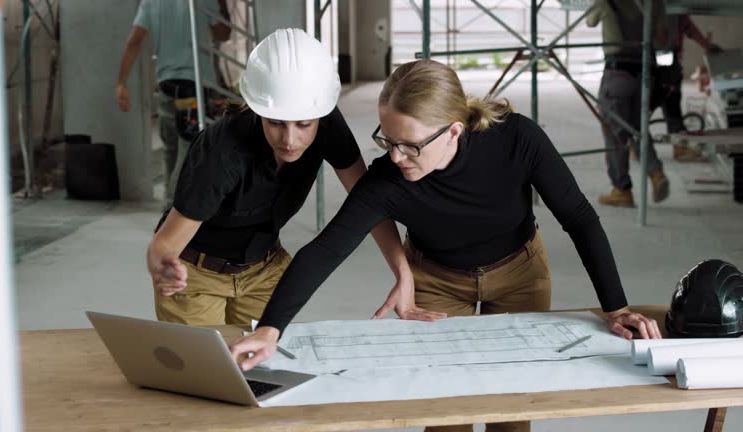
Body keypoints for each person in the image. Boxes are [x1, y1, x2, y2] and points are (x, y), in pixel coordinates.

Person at [229, 59, 662, 432]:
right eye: (388, 140)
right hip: (434, 282)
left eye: (410, 146)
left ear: (454, 130)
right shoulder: (388, 180)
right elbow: (324, 250)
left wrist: (616, 308)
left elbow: (580, 219)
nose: (397, 157)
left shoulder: (518, 140)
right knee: (443, 413)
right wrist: (271, 328)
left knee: (512, 408)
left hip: (519, 274)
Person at [146, 29, 442, 330]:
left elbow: (369, 201)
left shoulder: (325, 121)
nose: (290, 140)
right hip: (197, 276)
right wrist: (164, 265)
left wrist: (403, 274)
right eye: (275, 123)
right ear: (258, 107)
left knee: (262, 369)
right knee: (204, 372)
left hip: (263, 269)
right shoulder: (221, 150)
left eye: (303, 124)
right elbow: (164, 243)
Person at [116, 0, 230, 206]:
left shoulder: (150, 2)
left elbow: (134, 41)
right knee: (189, 149)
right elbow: (224, 34)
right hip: (193, 84)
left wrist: (121, 82)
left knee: (170, 148)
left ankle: (169, 207)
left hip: (166, 84)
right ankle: (172, 206)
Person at [587, 0, 670, 208]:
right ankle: (656, 173)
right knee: (637, 127)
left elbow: (590, 21)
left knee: (615, 133)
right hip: (645, 73)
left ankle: (621, 189)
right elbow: (662, 38)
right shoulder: (654, 3)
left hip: (618, 73)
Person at [652, 15, 721, 160]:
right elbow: (688, 27)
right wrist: (706, 45)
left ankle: (633, 145)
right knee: (670, 101)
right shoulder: (671, 8)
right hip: (664, 56)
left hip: (654, 56)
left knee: (651, 102)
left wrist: (707, 45)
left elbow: (688, 27)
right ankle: (680, 147)